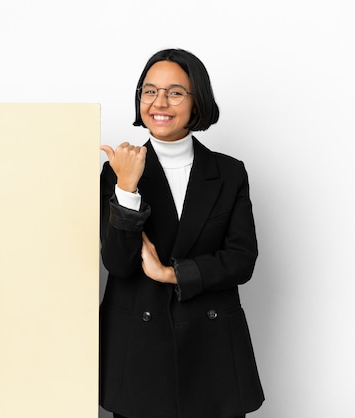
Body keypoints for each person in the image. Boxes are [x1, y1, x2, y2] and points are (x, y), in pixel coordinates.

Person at [99, 49, 264, 418]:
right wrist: (127, 187)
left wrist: (170, 273)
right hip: (138, 351)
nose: (160, 102)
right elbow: (118, 263)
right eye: (149, 91)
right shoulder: (116, 172)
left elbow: (241, 260)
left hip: (211, 348)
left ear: (197, 101)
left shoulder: (229, 172)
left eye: (175, 92)